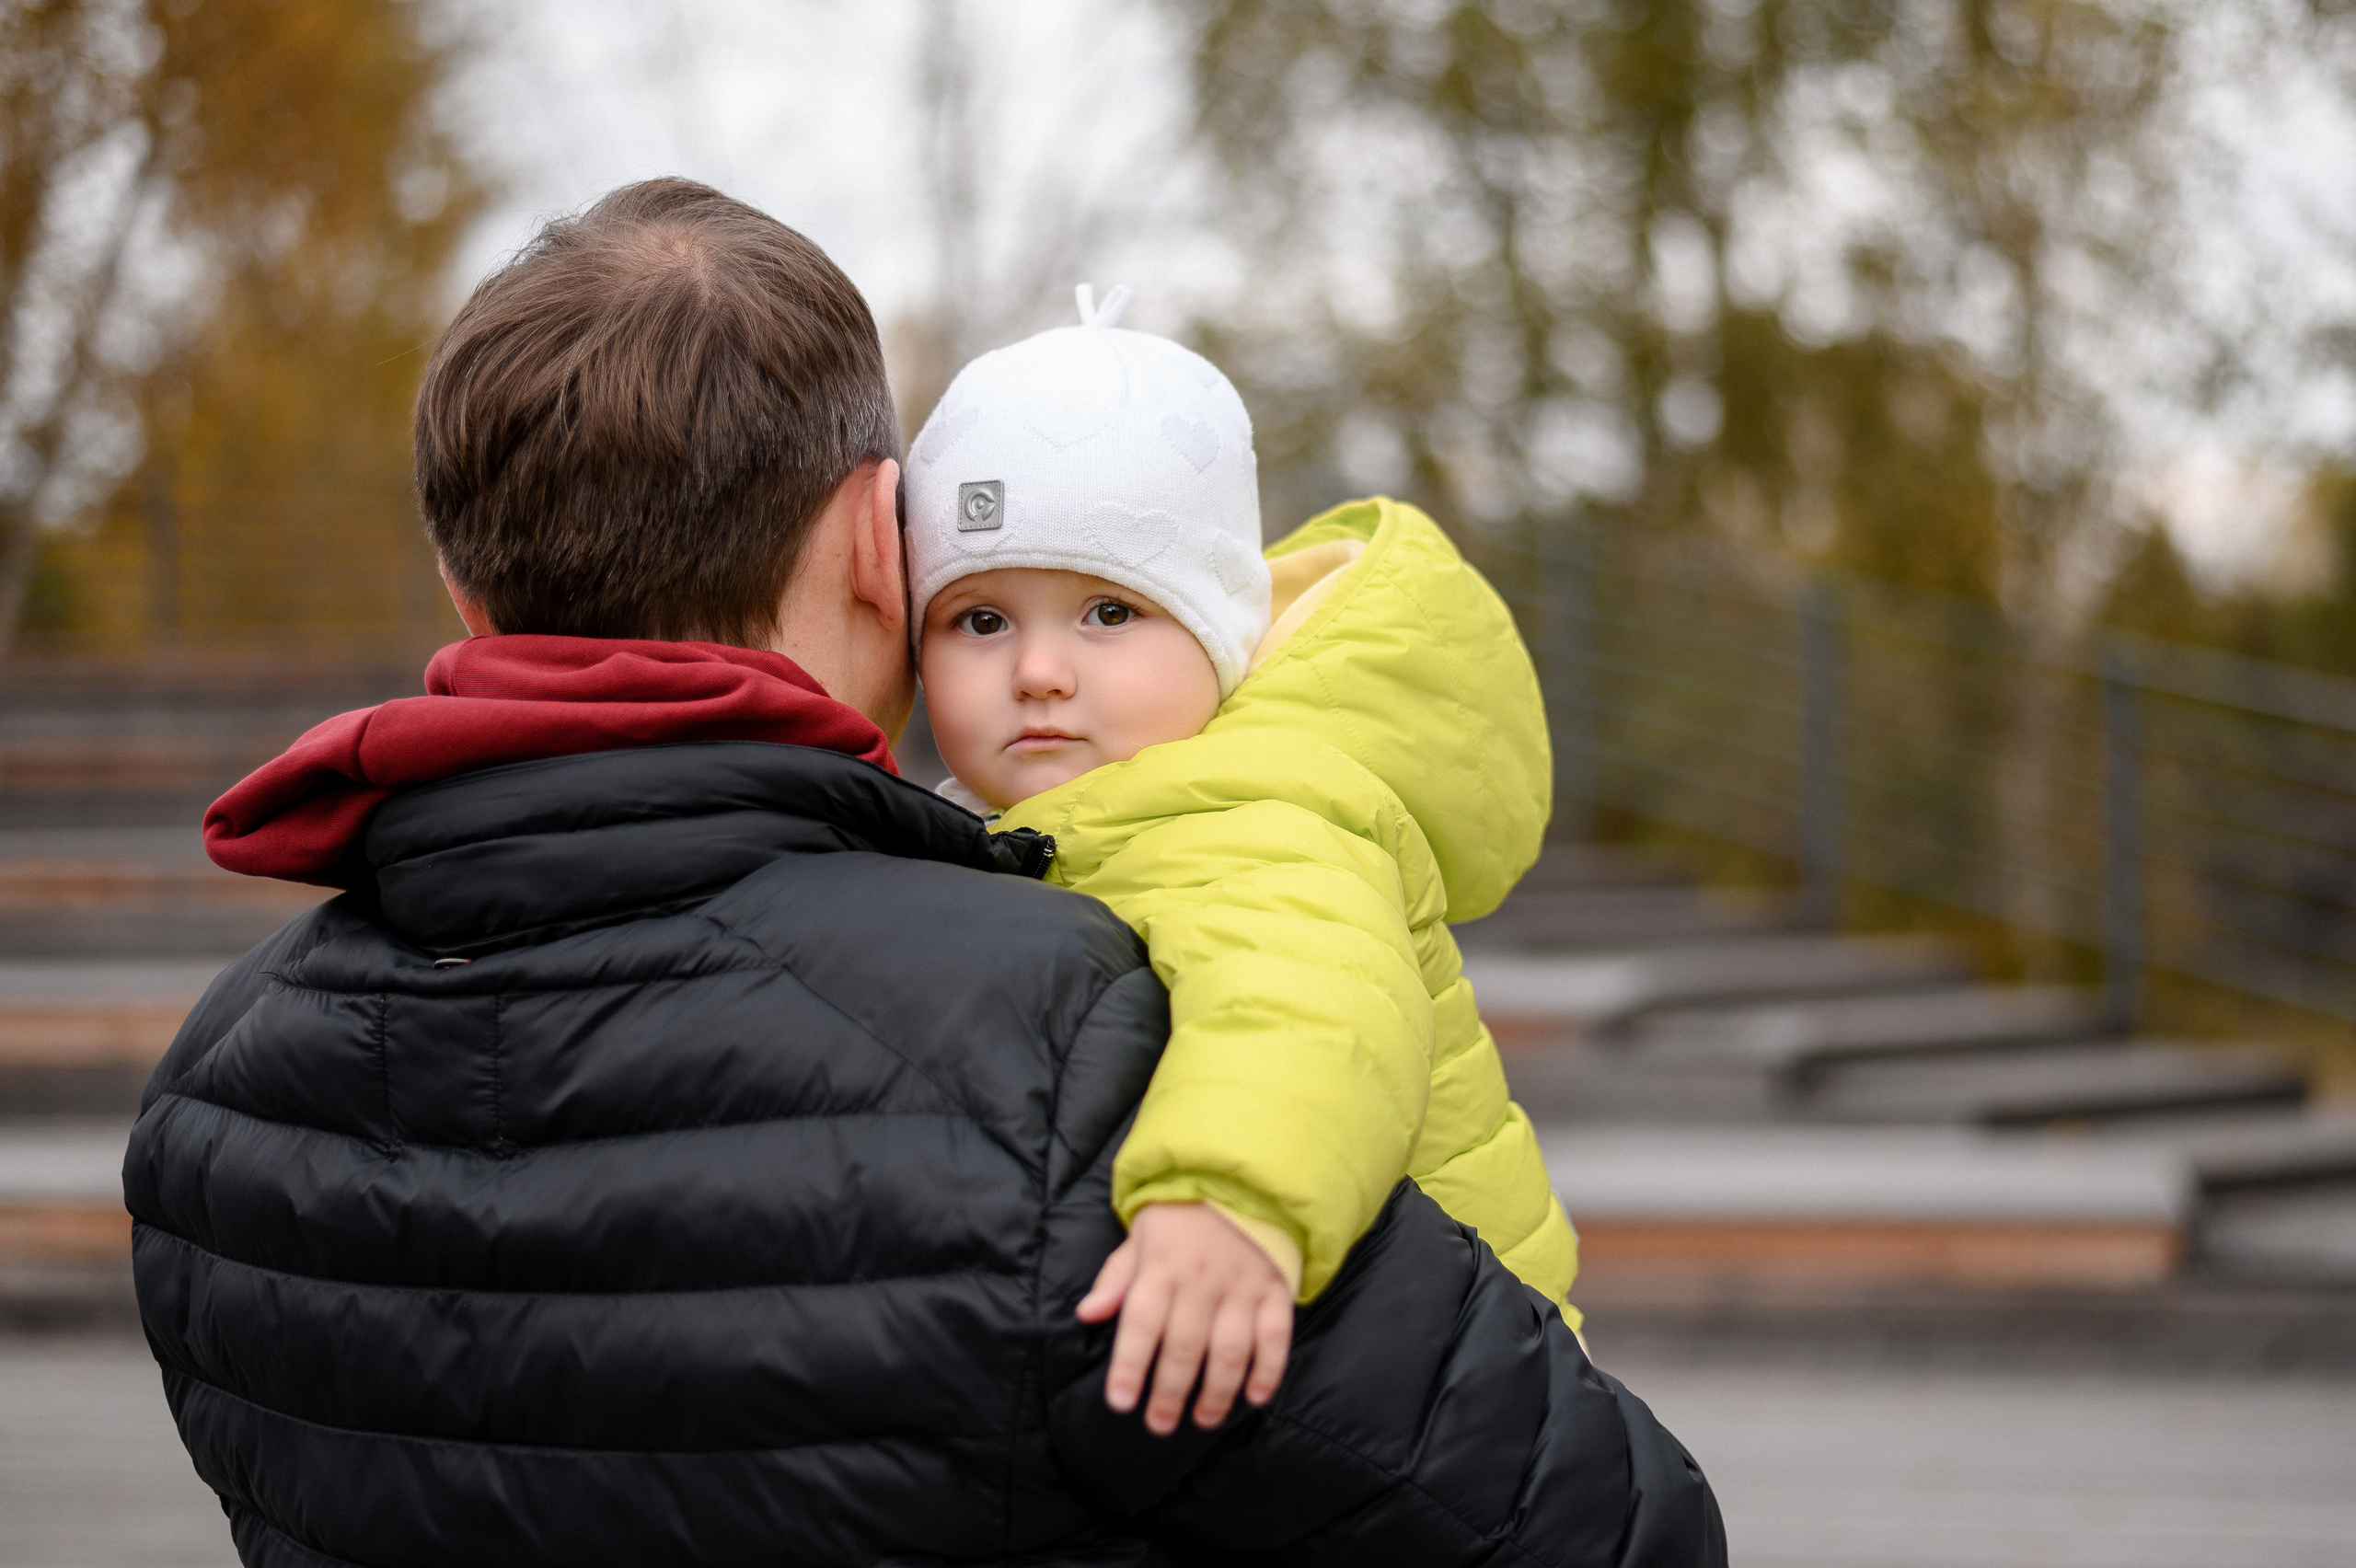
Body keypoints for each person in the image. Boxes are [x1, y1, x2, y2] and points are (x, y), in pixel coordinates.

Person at [124, 178, 1724, 1568]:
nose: (1041, 669)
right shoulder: (1068, 1046)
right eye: (988, 613)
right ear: (876, 542)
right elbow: (1609, 1527)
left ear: (463, 588)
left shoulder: (216, 1101)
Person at [907, 287, 1576, 1441]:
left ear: (1219, 632)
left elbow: (1308, 1003)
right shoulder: (1023, 824)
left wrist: (1228, 1196)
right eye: (981, 621)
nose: (1039, 671)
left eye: (1109, 613)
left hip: (1457, 1388)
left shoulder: (1254, 810)